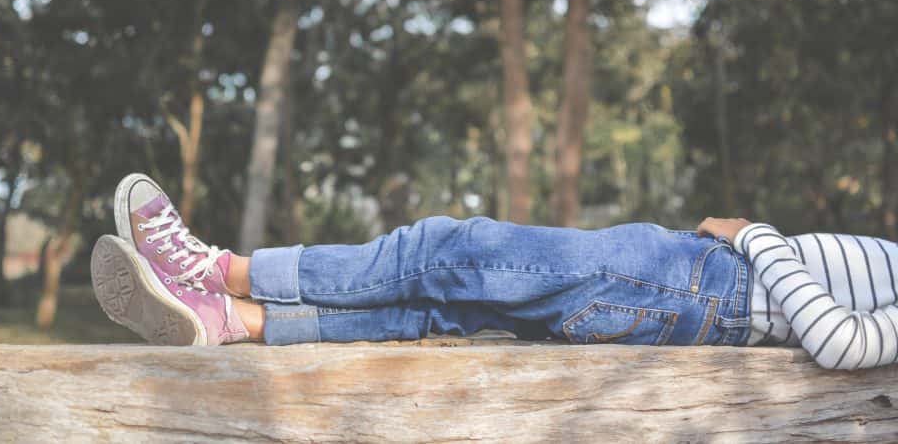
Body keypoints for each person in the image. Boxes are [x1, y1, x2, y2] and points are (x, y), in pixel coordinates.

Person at [91, 173, 898, 370]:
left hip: (702, 284)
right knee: (440, 309)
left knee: (449, 250)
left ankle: (218, 270)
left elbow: (836, 337)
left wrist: (755, 232)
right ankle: (234, 322)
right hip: (692, 293)